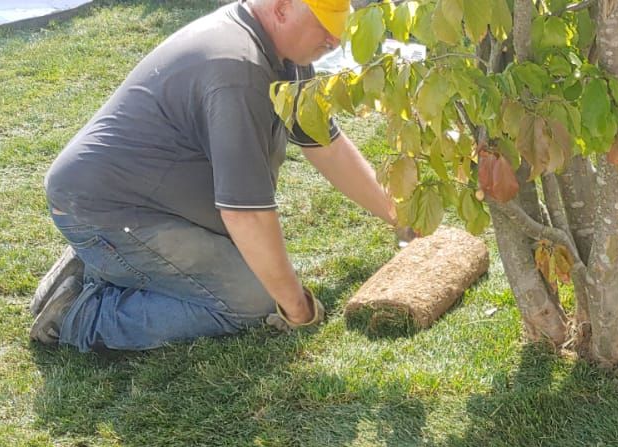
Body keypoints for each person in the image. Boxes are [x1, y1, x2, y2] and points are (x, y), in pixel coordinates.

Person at [29, 0, 396, 351]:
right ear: (283, 7)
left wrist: (401, 217)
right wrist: (297, 310)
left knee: (263, 273)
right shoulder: (238, 69)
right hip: (108, 211)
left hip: (130, 200)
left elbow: (326, 146)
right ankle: (79, 315)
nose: (333, 42)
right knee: (255, 299)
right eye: (324, 27)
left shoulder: (284, 55)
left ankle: (104, 262)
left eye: (337, 30)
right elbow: (245, 214)